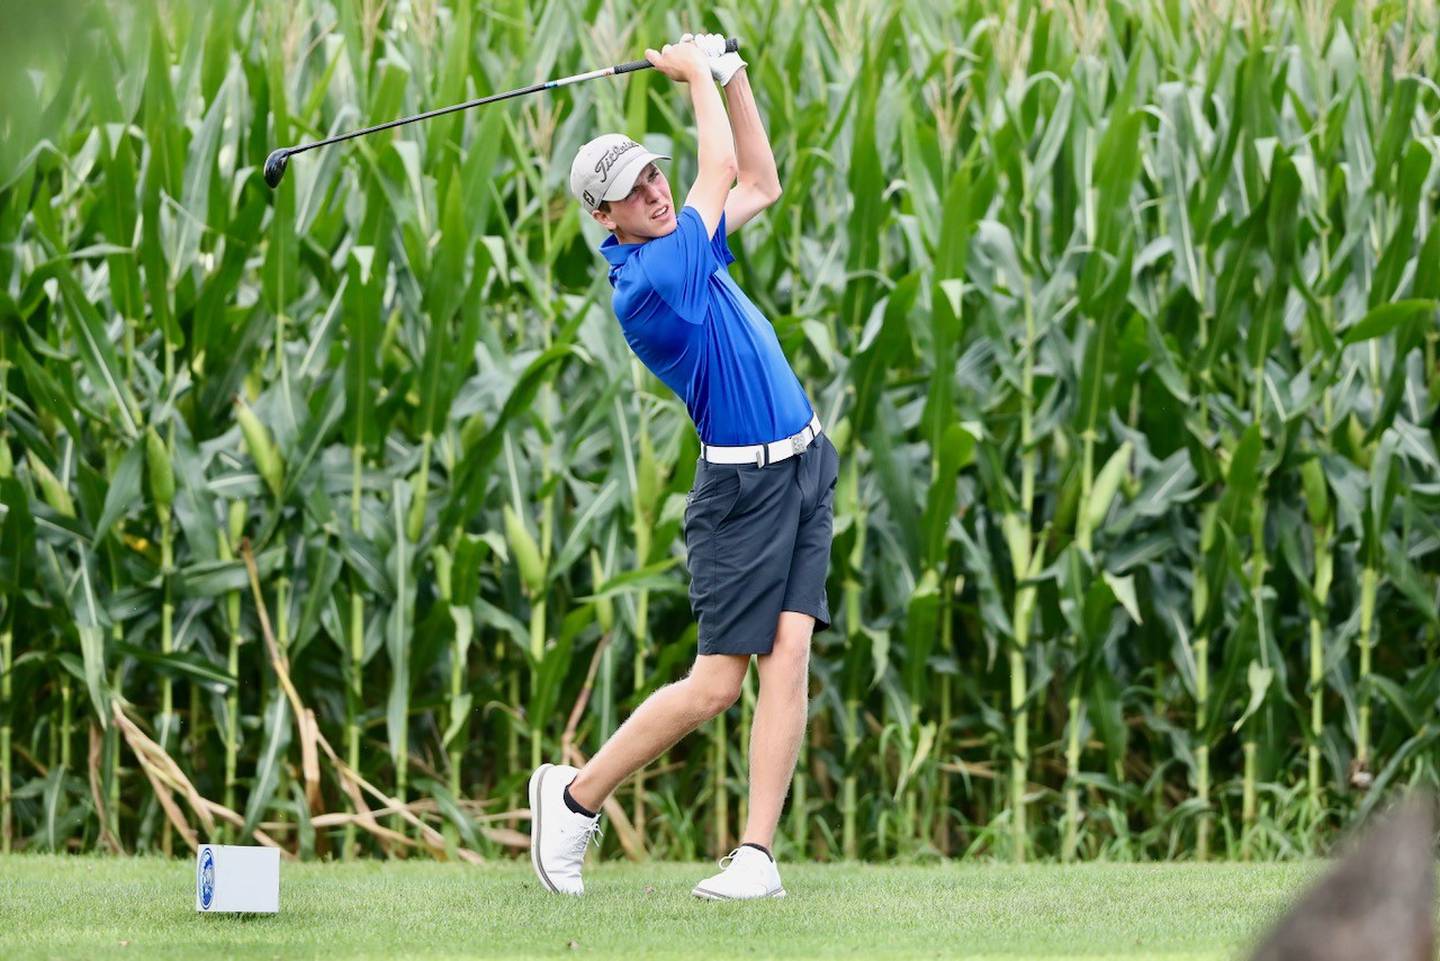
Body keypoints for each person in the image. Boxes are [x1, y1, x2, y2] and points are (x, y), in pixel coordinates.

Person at [528, 32, 838, 902]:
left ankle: (755, 858)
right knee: (714, 685)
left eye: (653, 176)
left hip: (806, 464)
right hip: (741, 493)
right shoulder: (654, 274)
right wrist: (695, 72)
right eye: (633, 192)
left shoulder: (684, 242)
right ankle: (576, 797)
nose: (655, 193)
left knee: (791, 654)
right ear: (605, 218)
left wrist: (732, 79)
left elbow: (759, 180)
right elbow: (714, 177)